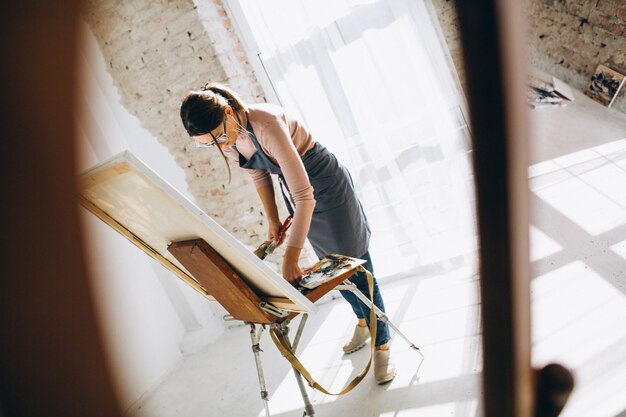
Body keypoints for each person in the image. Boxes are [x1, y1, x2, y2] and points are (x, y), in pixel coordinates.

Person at [180, 83, 395, 384]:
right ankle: (362, 320)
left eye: (217, 136)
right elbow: (257, 172)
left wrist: (291, 257)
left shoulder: (266, 125)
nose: (219, 144)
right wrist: (272, 219)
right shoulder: (229, 133)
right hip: (297, 190)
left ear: (228, 111)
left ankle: (382, 342)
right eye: (208, 143)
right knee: (333, 270)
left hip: (325, 187)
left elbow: (305, 196)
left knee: (356, 267)